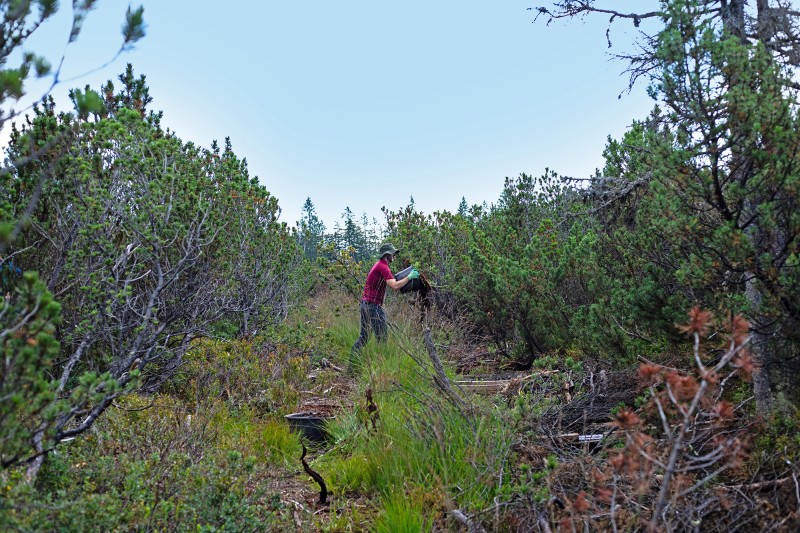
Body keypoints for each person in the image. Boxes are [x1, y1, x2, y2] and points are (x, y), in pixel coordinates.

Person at [350, 243, 418, 366]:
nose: (395, 256)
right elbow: (395, 286)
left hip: (366, 305)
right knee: (382, 337)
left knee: (364, 337)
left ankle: (352, 364)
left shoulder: (379, 265)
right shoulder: (383, 267)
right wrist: (409, 277)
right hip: (373, 306)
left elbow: (393, 282)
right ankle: (381, 366)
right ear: (387, 255)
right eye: (393, 254)